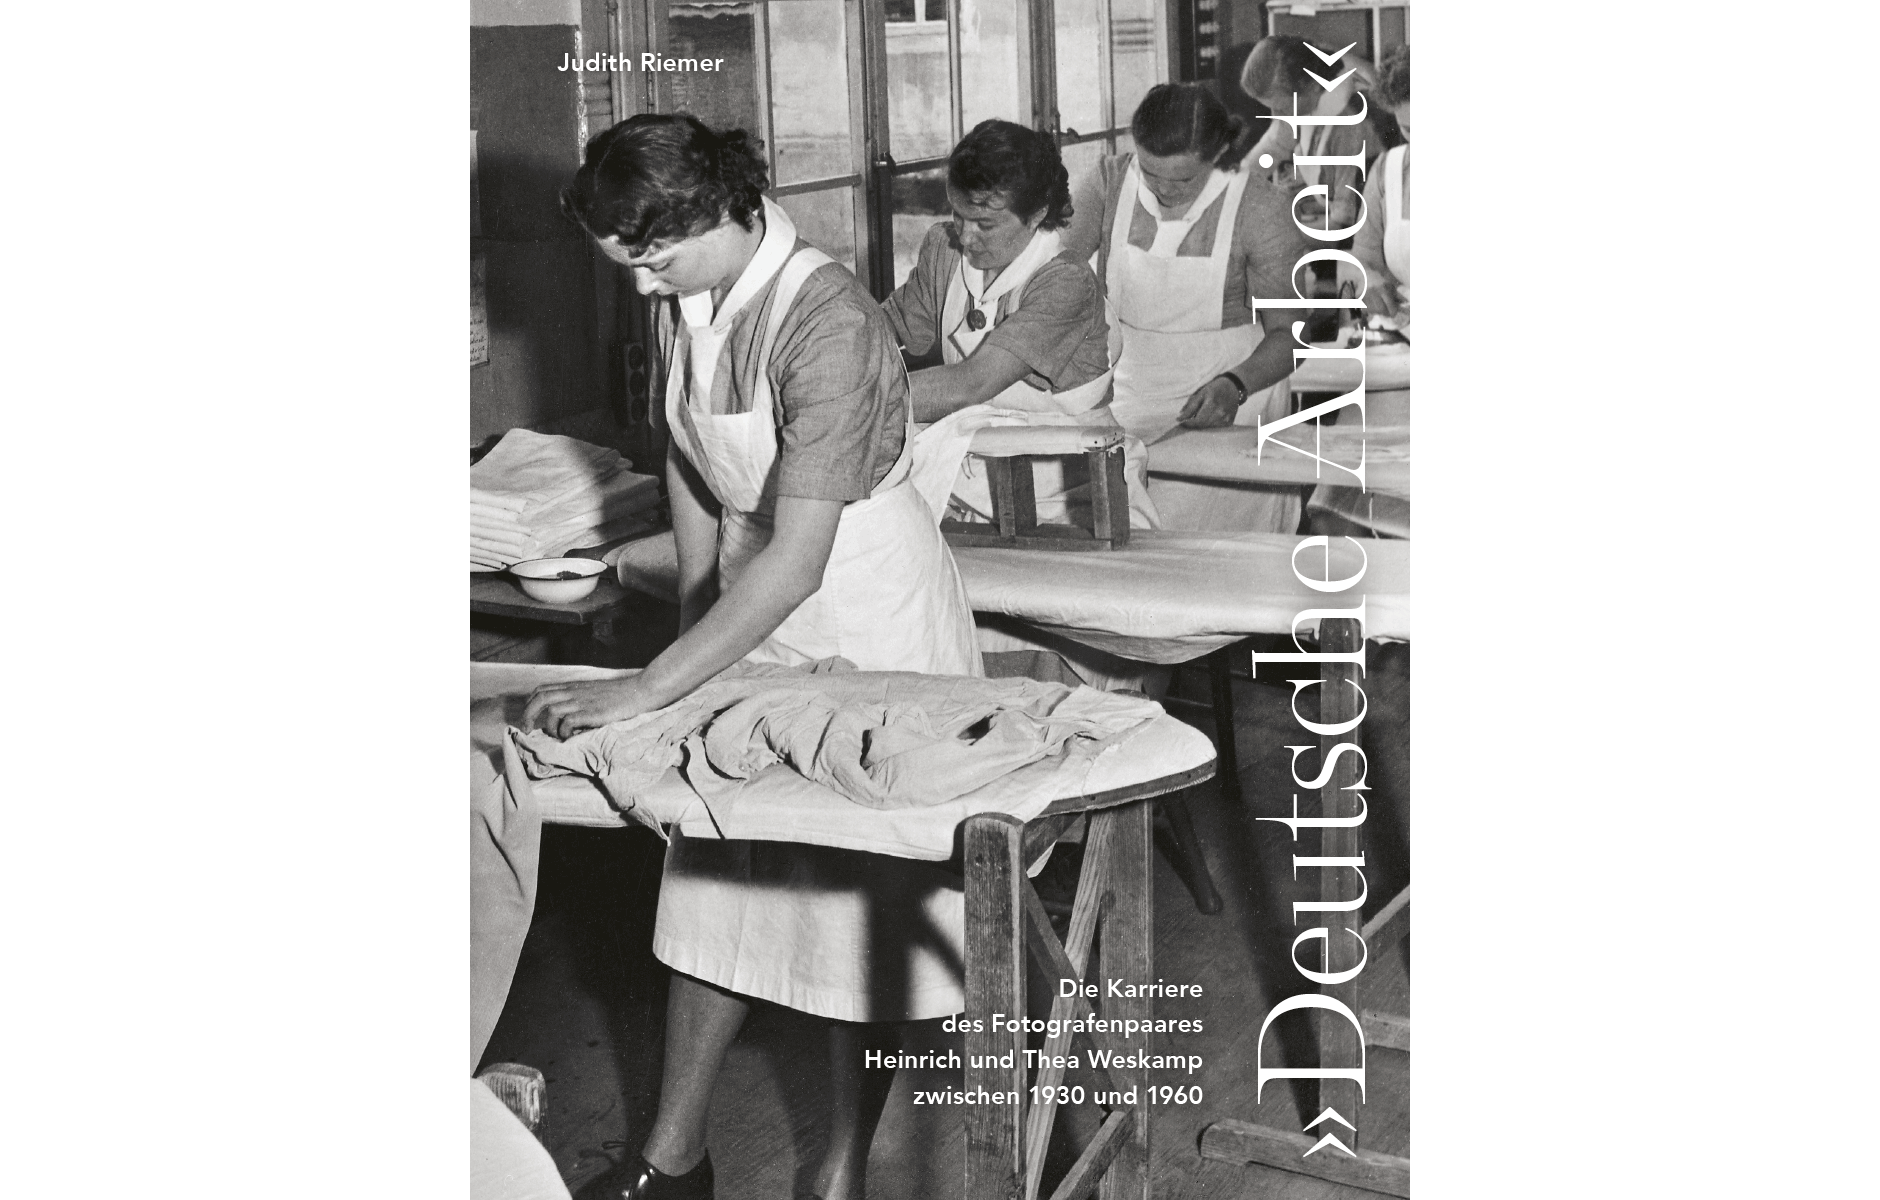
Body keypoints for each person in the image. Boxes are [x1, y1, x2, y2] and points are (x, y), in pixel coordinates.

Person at [536, 113, 981, 1200]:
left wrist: (657, 682)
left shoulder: (827, 318)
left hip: (866, 616)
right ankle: (672, 1161)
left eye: (652, 259)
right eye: (627, 264)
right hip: (756, 597)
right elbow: (691, 461)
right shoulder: (690, 295)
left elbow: (800, 560)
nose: (641, 284)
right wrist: (696, 622)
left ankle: (838, 1173)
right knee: (715, 885)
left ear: (720, 212)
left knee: (856, 923)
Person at [1062, 82, 1314, 532]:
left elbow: (1291, 336)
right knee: (1116, 527)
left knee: (1211, 546)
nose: (1163, 189)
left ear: (1218, 154)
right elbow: (1056, 278)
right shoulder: (1108, 181)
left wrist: (1235, 386)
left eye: (1182, 180)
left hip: (1229, 392)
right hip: (1129, 387)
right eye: (1150, 172)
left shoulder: (1258, 207)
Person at [883, 119, 1155, 528]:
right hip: (967, 484)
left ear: (1036, 215)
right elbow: (885, 331)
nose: (966, 236)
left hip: (1077, 497)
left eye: (985, 224)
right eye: (958, 215)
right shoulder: (945, 249)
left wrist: (858, 399)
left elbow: (971, 385)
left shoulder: (1065, 281)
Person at [1310, 43, 1410, 537]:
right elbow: (1362, 262)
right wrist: (1370, 282)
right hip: (1403, 364)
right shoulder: (1389, 171)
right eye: (1410, 129)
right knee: (1341, 503)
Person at [1239, 34, 1395, 235]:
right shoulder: (1305, 98)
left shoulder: (1350, 122)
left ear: (1312, 87)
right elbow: (1271, 148)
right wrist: (1232, 189)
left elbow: (1344, 227)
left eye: (1282, 108)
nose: (1278, 116)